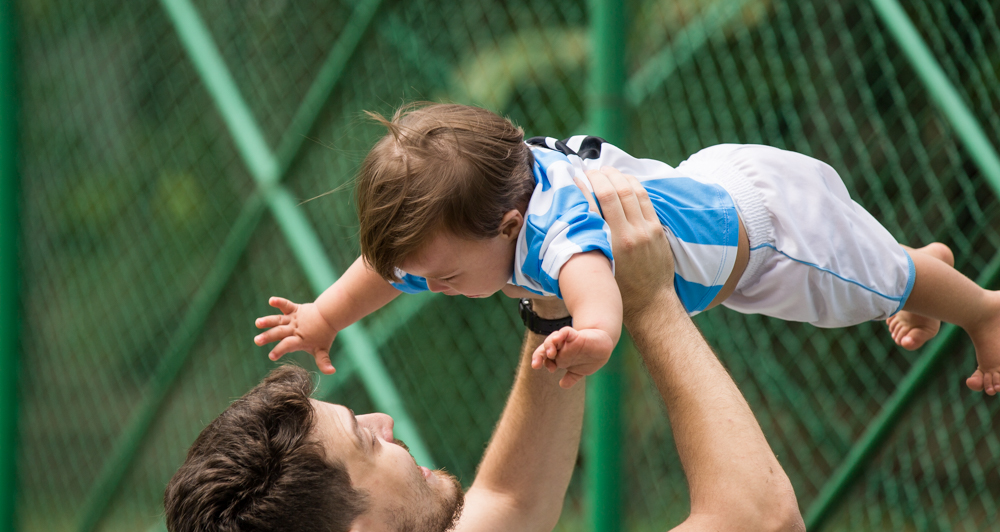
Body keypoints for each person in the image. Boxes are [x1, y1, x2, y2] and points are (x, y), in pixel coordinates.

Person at [165, 168, 806, 532]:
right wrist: (650, 297)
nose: (384, 422)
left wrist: (550, 301)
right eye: (364, 439)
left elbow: (512, 501)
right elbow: (756, 522)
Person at [253, 104, 1000, 394]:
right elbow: (387, 272)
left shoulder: (556, 230)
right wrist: (325, 316)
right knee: (867, 270)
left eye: (445, 274)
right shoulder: (483, 202)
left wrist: (595, 336)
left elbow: (599, 293)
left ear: (511, 227)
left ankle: (981, 309)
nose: (431, 285)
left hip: (770, 234)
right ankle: (916, 268)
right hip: (715, 194)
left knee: (867, 287)